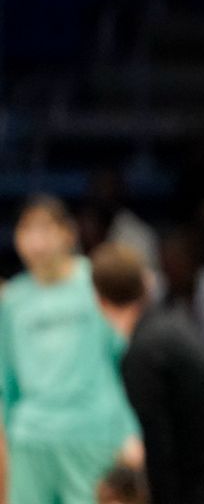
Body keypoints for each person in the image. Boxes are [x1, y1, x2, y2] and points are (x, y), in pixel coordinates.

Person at [89, 242, 204, 504]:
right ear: (147, 283)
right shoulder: (169, 326)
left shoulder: (143, 353)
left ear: (99, 301)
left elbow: (160, 450)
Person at [0, 196, 140, 504]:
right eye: (26, 230)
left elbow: (128, 362)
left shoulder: (98, 282)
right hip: (30, 437)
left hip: (93, 434)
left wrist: (131, 431)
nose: (36, 241)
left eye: (44, 228)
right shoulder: (12, 300)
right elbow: (6, 383)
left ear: (68, 234)